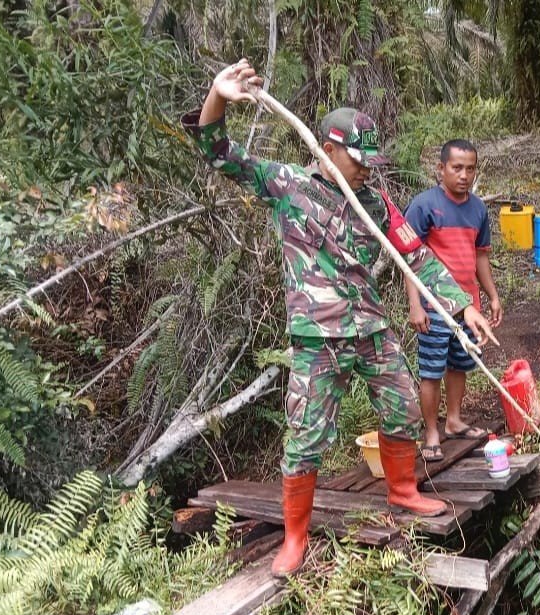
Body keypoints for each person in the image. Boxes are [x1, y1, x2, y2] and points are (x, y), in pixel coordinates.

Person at [182, 60, 494, 577]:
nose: (367, 170)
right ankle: (295, 537)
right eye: (358, 159)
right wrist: (216, 97)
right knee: (305, 438)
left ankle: (403, 491)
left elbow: (416, 256)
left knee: (403, 408)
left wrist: (462, 304)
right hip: (316, 338)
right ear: (327, 151)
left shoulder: (376, 203)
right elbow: (218, 152)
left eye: (373, 160)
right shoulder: (287, 186)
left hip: (371, 328)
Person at [404, 139, 502, 462]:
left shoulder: (478, 209)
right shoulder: (424, 205)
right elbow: (409, 258)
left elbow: (481, 256)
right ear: (441, 168)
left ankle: (454, 420)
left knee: (460, 364)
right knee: (432, 370)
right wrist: (415, 305)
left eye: (470, 168)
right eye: (456, 167)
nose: (464, 175)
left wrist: (492, 295)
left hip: (469, 306)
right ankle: (432, 431)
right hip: (434, 305)